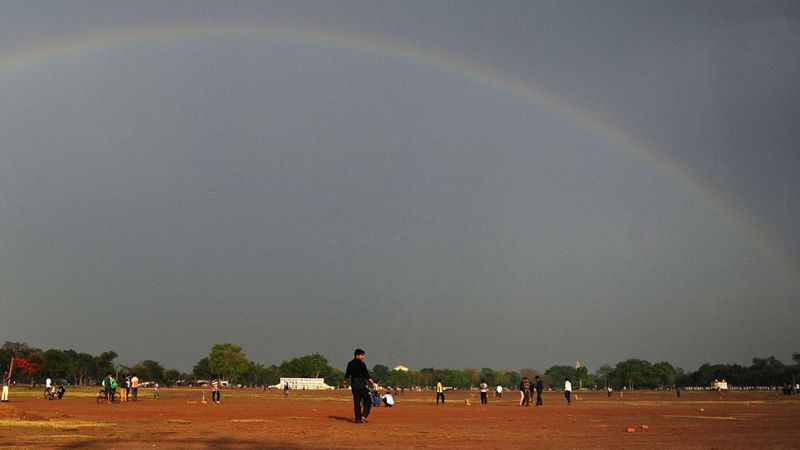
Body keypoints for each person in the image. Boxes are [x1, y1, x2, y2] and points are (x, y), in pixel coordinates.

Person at [344, 348, 374, 424]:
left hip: (354, 385)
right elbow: (365, 373)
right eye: (362, 355)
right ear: (357, 355)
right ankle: (364, 415)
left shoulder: (350, 363)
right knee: (368, 400)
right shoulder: (361, 364)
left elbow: (347, 374)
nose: (363, 357)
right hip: (362, 385)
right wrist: (370, 379)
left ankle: (358, 419)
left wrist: (345, 381)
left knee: (357, 402)